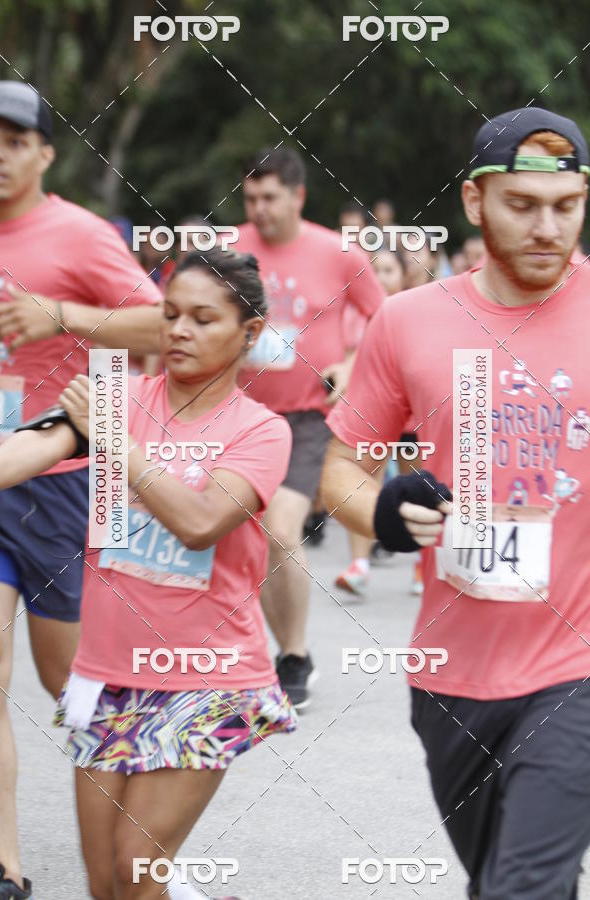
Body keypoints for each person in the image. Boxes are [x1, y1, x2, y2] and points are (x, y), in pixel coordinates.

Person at [322, 106, 590, 900]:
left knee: (523, 888)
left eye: (568, 206)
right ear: (475, 201)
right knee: (498, 879)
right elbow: (342, 469)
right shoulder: (408, 321)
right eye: (523, 205)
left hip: (577, 668)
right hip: (452, 677)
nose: (548, 228)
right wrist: (384, 512)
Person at [0, 248, 296, 900]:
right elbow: (35, 446)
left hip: (209, 679)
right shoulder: (118, 396)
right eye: (171, 314)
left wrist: (118, 444)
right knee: (107, 885)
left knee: (137, 868)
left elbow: (201, 521)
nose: (179, 330)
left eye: (202, 319)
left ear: (249, 332)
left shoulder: (262, 431)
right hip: (107, 676)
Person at [0, 79, 163, 899]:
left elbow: (161, 325)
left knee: (74, 687)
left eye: (14, 141)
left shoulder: (81, 235)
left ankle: (138, 842)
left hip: (64, 484)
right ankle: (3, 867)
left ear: (46, 154)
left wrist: (59, 314)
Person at [235, 147, 385, 709]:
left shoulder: (339, 253)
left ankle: (294, 656)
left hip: (309, 417)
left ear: (298, 196)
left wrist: (350, 361)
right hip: (240, 415)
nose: (260, 209)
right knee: (245, 539)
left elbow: (386, 319)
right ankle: (274, 653)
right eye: (251, 198)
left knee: (279, 528)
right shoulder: (228, 250)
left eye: (270, 197)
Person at [335, 243, 407, 595]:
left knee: (419, 483)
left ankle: (424, 567)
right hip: (371, 409)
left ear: (404, 275)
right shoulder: (354, 315)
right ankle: (359, 564)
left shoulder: (416, 311)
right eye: (373, 271)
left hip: (414, 416)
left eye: (389, 271)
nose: (380, 278)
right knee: (362, 479)